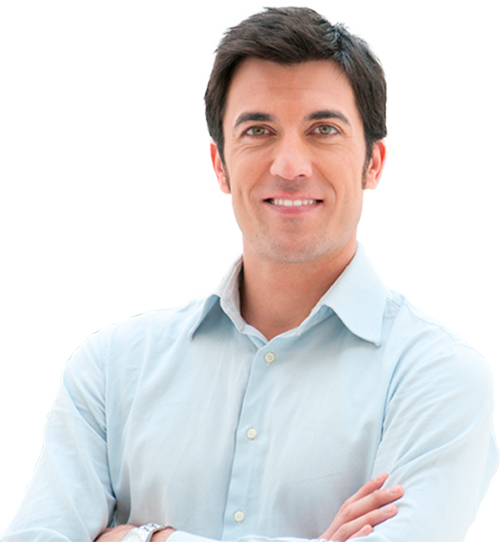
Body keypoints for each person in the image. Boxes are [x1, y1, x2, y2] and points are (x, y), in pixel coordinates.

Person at [3, 6, 497, 542]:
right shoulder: (110, 371)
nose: (290, 166)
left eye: (324, 130)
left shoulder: (436, 378)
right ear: (220, 164)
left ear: (373, 164)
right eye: (259, 130)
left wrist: (144, 538)